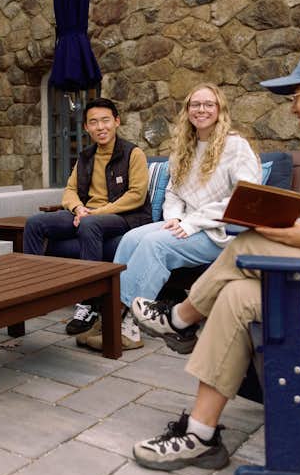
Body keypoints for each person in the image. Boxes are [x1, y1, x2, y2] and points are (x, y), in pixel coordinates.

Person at [131, 44, 300, 472]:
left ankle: (181, 319)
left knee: (249, 244)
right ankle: (201, 435)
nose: (293, 107)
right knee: (240, 294)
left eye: (298, 94)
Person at [103, 84, 260, 353]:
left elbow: (245, 197)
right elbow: (174, 192)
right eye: (195, 105)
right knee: (130, 239)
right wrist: (174, 218)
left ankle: (129, 320)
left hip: (219, 231)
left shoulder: (235, 146)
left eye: (209, 104)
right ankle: (111, 310)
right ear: (187, 111)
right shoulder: (184, 147)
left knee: (156, 245)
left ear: (220, 109)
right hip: (186, 223)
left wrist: (192, 223)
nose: (201, 110)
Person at [23, 97, 151, 341]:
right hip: (87, 214)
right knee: (36, 223)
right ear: (86, 128)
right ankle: (34, 291)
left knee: (90, 225)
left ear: (116, 121)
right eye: (93, 122)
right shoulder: (85, 156)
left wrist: (95, 213)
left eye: (105, 120)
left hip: (123, 217)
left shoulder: (133, 154)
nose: (100, 127)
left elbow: (136, 196)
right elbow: (69, 191)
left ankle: (89, 304)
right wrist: (79, 208)